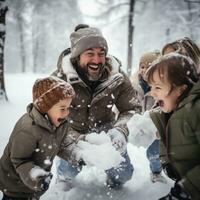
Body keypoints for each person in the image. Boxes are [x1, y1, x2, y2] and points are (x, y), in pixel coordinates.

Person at [53, 24, 141, 190]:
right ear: (77, 56)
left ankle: (114, 181)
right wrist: (78, 140)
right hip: (72, 135)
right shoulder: (59, 80)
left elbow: (131, 109)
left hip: (106, 134)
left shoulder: (117, 77)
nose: (97, 60)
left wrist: (120, 131)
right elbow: (50, 120)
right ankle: (63, 175)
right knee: (68, 171)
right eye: (90, 54)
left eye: (101, 54)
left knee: (124, 175)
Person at [0, 76, 75, 200]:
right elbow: (20, 160)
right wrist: (37, 178)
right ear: (45, 107)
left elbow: (61, 145)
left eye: (68, 108)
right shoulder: (27, 129)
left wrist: (76, 154)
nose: (67, 113)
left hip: (34, 188)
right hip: (14, 185)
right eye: (62, 108)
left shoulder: (59, 124)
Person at [146, 53, 200, 199]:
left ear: (180, 90)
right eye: (151, 87)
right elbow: (167, 140)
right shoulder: (171, 113)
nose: (152, 93)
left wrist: (186, 190)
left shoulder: (196, 110)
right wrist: (167, 162)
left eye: (157, 87)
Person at [131, 50, 167, 183]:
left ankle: (156, 172)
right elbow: (129, 103)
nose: (144, 70)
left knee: (154, 153)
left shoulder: (161, 86)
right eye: (142, 66)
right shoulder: (134, 84)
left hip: (155, 125)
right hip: (138, 123)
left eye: (149, 66)